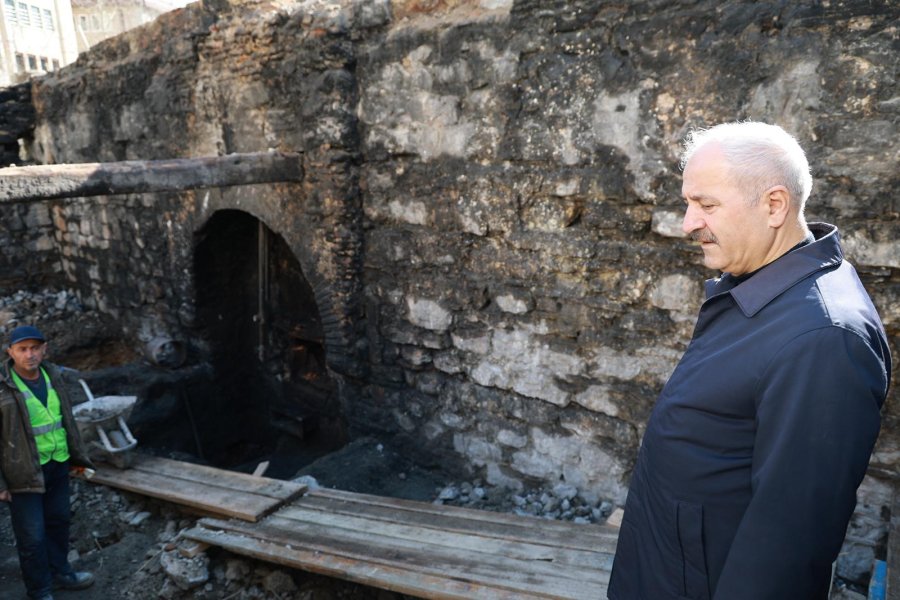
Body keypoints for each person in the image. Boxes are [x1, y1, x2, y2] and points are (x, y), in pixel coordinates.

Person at [607, 122, 892, 600]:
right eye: (688, 203)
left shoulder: (824, 337)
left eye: (706, 205)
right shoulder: (761, 282)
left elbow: (789, 543)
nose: (688, 222)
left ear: (774, 205)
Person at [0, 325, 96, 600]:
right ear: (11, 352)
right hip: (23, 473)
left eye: (35, 348)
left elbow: (65, 421)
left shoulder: (52, 375)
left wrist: (76, 458)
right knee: (32, 536)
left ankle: (62, 573)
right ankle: (39, 590)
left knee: (59, 522)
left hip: (58, 464)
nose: (30, 354)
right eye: (22, 349)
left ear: (44, 349)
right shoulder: (3, 386)